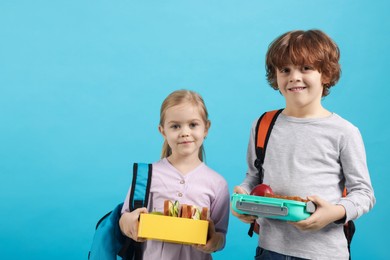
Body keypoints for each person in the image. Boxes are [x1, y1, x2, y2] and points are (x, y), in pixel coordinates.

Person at [231, 30, 375, 260]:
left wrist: (334, 213)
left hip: (324, 253)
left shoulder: (344, 132)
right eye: (285, 70)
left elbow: (364, 193)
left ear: (325, 74)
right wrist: (243, 197)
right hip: (270, 250)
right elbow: (253, 177)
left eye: (305, 68)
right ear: (275, 77)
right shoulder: (263, 124)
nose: (294, 77)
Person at [119, 89, 230, 260]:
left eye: (193, 125)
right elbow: (124, 218)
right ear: (162, 131)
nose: (185, 132)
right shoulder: (147, 175)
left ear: (206, 128)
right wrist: (130, 225)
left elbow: (221, 236)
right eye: (175, 126)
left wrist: (213, 242)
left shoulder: (217, 184)